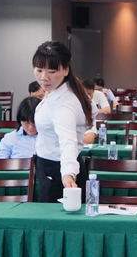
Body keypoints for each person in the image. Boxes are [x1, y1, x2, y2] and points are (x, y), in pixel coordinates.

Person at [32, 41, 93, 203]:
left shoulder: (64, 105)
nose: (43, 77)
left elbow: (68, 141)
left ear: (66, 70)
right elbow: (92, 111)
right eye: (39, 70)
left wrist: (67, 174)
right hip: (53, 166)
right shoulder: (65, 89)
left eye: (52, 71)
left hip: (58, 170)